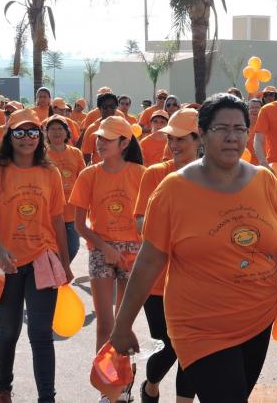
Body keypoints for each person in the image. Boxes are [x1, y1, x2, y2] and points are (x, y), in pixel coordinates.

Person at [108, 93, 277, 403]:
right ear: (203, 133)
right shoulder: (173, 189)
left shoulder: (264, 182)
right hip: (199, 326)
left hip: (257, 318)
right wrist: (123, 324)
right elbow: (149, 261)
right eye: (222, 128)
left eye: (240, 129)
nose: (232, 137)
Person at [0, 108, 71, 403]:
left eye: (32, 132)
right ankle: (3, 388)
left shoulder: (50, 172)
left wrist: (65, 263)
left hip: (42, 260)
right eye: (19, 132)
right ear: (9, 136)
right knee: (9, 331)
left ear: (39, 137)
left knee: (41, 334)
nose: (27, 138)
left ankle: (47, 398)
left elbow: (57, 221)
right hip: (4, 266)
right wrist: (1, 251)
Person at [133, 108, 201, 403]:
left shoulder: (215, 176)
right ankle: (150, 384)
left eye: (180, 139)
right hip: (159, 282)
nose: (173, 144)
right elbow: (139, 223)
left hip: (200, 282)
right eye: (170, 138)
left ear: (200, 139)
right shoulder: (155, 174)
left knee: (192, 346)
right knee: (169, 345)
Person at [69, 116, 145, 369]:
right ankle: (106, 382)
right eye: (99, 137)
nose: (100, 142)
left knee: (123, 323)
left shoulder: (140, 174)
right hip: (101, 249)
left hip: (134, 252)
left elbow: (149, 220)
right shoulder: (88, 175)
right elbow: (80, 225)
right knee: (104, 324)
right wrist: (105, 248)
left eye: (107, 139)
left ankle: (123, 380)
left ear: (124, 144)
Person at [44, 115, 85, 263]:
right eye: (52, 129)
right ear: (46, 133)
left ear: (66, 132)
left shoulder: (75, 153)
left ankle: (59, 271)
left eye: (60, 128)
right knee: (52, 249)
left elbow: (82, 179)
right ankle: (56, 277)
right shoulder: (42, 155)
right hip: (50, 213)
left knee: (72, 247)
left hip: (71, 212)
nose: (56, 132)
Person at [81, 92, 121, 165]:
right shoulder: (92, 129)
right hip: (99, 172)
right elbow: (86, 154)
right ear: (99, 108)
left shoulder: (122, 126)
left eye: (112, 106)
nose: (109, 110)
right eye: (105, 107)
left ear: (116, 107)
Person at [246, 98, 263, 165]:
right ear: (247, 110)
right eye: (252, 107)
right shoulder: (242, 127)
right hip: (247, 167)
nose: (254, 110)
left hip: (264, 167)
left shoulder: (268, 127)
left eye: (257, 108)